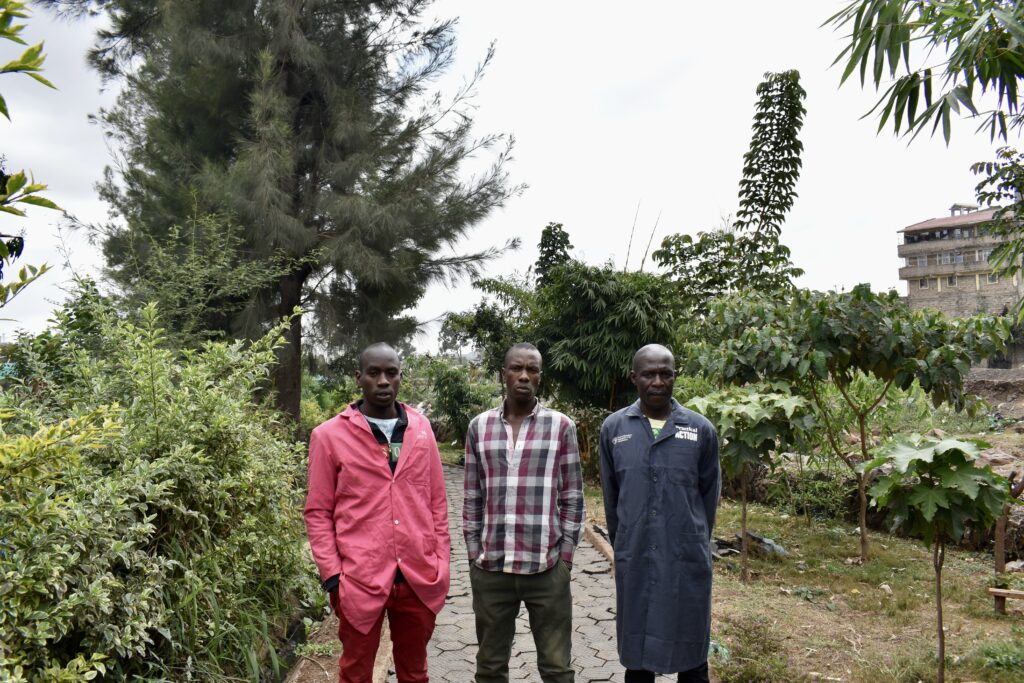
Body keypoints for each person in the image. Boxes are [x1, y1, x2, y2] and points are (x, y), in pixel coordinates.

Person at [304, 343, 451, 683]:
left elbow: (437, 501)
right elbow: (317, 511)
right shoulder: (329, 436)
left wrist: (441, 562)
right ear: (359, 378)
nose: (383, 381)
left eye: (391, 373)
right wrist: (333, 577)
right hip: (359, 579)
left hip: (418, 577)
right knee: (355, 673)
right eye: (374, 373)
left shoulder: (421, 428)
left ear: (401, 377)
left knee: (415, 673)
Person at [598, 344, 721, 683]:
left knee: (692, 655)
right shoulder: (614, 428)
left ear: (674, 377)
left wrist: (689, 539)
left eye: (665, 374)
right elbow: (612, 500)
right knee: (638, 660)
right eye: (648, 374)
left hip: (686, 558)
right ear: (633, 377)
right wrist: (624, 544)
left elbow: (708, 498)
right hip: (635, 557)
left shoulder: (699, 430)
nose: (657, 381)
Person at [463, 342, 584, 683]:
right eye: (517, 368)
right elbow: (471, 496)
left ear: (540, 378)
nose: (524, 376)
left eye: (532, 370)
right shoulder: (479, 427)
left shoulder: (561, 427)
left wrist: (566, 559)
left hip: (546, 568)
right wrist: (474, 554)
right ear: (503, 374)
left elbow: (573, 496)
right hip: (492, 569)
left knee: (557, 668)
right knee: (489, 668)